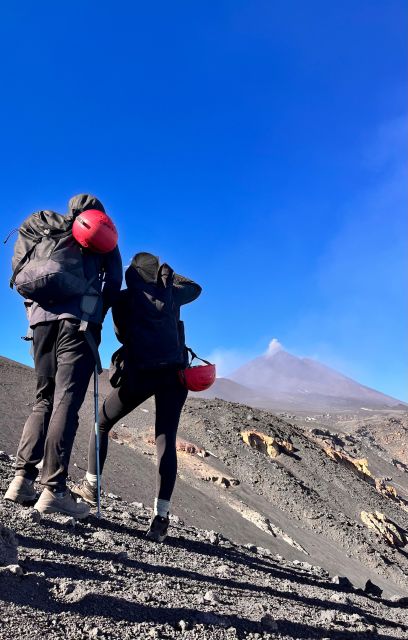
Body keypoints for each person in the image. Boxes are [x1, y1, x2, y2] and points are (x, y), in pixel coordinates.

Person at [4, 194, 123, 519]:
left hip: (39, 322)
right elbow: (113, 282)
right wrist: (97, 309)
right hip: (79, 325)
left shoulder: (46, 228)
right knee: (66, 403)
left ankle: (21, 480)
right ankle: (54, 490)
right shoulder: (101, 235)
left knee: (43, 400)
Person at [73, 252, 201, 540]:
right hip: (175, 376)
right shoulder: (173, 294)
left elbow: (117, 332)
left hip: (141, 374)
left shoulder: (124, 298)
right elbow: (196, 288)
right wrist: (169, 278)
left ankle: (92, 488)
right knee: (165, 437)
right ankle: (160, 518)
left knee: (102, 424)